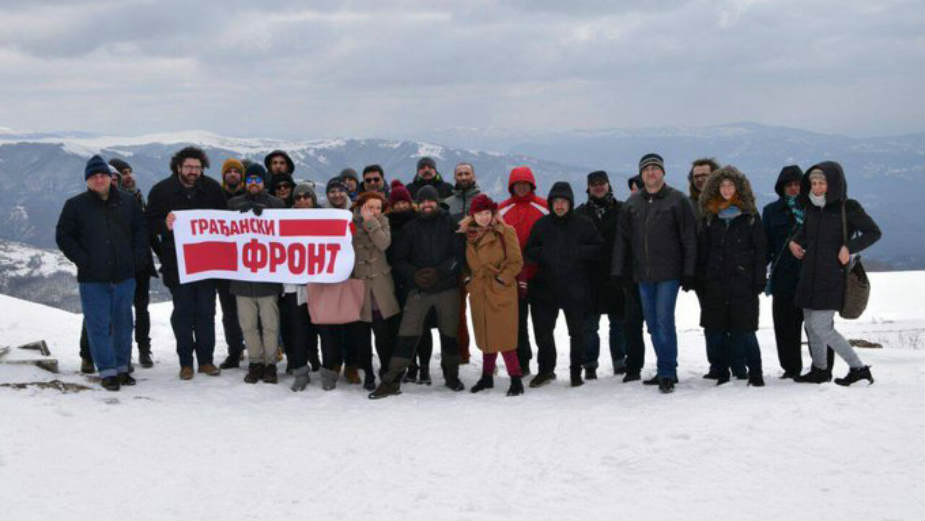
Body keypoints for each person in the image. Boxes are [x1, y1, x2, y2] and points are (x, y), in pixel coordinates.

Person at [56, 155, 148, 391]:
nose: (99, 179)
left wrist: (135, 260)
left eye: (103, 175)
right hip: (92, 278)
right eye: (94, 176)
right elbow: (64, 236)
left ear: (110, 177)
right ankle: (107, 371)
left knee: (123, 323)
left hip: (124, 275)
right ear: (87, 180)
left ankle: (122, 368)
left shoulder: (128, 203)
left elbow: (141, 232)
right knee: (97, 325)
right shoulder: (75, 205)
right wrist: (82, 260)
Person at [369, 185, 466, 399]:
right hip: (418, 290)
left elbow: (459, 255)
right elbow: (399, 260)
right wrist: (414, 275)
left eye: (430, 201)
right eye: (422, 202)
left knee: (449, 334)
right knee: (407, 334)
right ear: (417, 204)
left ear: (437, 202)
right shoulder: (410, 228)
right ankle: (391, 380)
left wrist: (440, 272)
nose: (427, 205)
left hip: (447, 288)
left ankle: (452, 376)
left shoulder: (450, 223)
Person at [612, 153, 697, 393]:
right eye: (646, 169)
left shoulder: (677, 200)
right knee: (652, 324)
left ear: (663, 173)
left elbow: (689, 239)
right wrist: (618, 271)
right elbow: (622, 240)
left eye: (655, 168)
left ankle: (667, 371)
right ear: (641, 174)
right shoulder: (632, 204)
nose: (651, 172)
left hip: (668, 273)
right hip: (642, 274)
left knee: (663, 321)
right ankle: (664, 367)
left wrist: (689, 271)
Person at [790, 162, 881, 386]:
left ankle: (858, 369)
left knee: (821, 326)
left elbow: (873, 232)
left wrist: (849, 247)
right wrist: (795, 242)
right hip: (809, 274)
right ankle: (820, 370)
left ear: (834, 184)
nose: (818, 187)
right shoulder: (811, 206)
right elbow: (806, 231)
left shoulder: (847, 207)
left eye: (822, 183)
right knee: (811, 325)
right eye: (814, 183)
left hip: (832, 276)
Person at [146, 146, 227, 380]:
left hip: (207, 263)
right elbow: (149, 224)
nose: (193, 171)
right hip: (177, 263)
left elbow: (226, 222)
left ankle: (206, 360)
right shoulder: (161, 191)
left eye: (197, 167)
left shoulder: (212, 189)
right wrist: (164, 224)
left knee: (206, 311)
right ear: (178, 167)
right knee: (183, 312)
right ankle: (185, 362)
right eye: (189, 167)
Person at [525, 182, 603, 388]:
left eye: (563, 202)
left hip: (575, 288)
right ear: (550, 204)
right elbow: (529, 251)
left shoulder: (583, 224)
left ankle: (575, 372)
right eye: (556, 202)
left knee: (577, 333)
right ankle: (545, 371)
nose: (559, 206)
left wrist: (578, 252)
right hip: (544, 289)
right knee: (543, 332)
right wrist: (545, 254)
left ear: (570, 203)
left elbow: (598, 249)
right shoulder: (541, 225)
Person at [697, 166, 767, 386]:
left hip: (743, 282)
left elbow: (761, 249)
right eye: (722, 185)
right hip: (716, 282)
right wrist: (701, 277)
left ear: (739, 188)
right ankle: (722, 372)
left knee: (745, 330)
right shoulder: (710, 216)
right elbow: (703, 250)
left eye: (730, 185)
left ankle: (756, 373)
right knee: (716, 329)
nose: (726, 189)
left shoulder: (750, 216)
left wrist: (758, 278)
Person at [762, 165, 830, 378]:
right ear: (781, 188)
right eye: (789, 185)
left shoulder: (818, 207)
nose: (793, 188)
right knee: (785, 327)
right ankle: (791, 368)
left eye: (797, 184)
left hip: (814, 276)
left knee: (818, 326)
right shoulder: (771, 211)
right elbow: (765, 245)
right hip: (784, 277)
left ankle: (822, 367)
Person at [460, 194, 526, 396]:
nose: (484, 217)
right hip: (479, 290)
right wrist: (467, 282)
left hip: (500, 291)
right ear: (473, 215)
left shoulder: (505, 232)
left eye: (487, 212)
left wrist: (501, 280)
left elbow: (516, 262)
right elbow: (462, 263)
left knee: (504, 337)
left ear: (493, 213)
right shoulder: (466, 234)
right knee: (486, 336)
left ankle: (516, 378)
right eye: (480, 213)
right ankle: (487, 377)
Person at [227, 164, 286, 384]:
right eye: (250, 179)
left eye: (257, 180)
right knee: (248, 325)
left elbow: (286, 234)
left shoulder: (277, 204)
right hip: (242, 277)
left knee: (270, 325)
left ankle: (270, 363)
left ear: (263, 182)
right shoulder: (233, 204)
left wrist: (267, 215)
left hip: (267, 277)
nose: (253, 183)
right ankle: (255, 362)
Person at [347, 191, 401, 391]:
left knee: (383, 334)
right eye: (370, 207)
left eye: (378, 207)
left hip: (380, 288)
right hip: (359, 286)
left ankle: (385, 369)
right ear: (361, 206)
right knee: (361, 336)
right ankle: (368, 372)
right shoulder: (349, 223)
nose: (375, 211)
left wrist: (372, 223)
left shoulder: (383, 222)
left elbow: (383, 243)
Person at [574, 170, 625, 379]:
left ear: (608, 185)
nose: (598, 186)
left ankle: (620, 362)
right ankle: (590, 364)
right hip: (590, 278)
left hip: (617, 275)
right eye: (594, 184)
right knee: (589, 327)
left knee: (619, 324)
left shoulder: (623, 209)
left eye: (601, 183)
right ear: (588, 188)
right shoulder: (580, 213)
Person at [498, 166, 548, 374]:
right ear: (511, 186)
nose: (521, 188)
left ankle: (546, 365)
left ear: (531, 185)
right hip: (514, 276)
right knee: (517, 323)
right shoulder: (501, 210)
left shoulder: (544, 207)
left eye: (525, 184)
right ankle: (522, 362)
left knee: (542, 324)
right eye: (517, 184)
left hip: (540, 274)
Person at [386, 180, 434, 385]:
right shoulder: (386, 222)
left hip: (418, 280)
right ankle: (411, 365)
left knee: (422, 327)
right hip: (395, 282)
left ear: (410, 203)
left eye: (404, 202)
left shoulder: (419, 221)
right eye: (396, 203)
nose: (400, 206)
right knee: (403, 328)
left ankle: (425, 367)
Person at [284, 182, 322, 391]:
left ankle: (326, 368)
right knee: (297, 329)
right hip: (294, 285)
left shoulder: (325, 218)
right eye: (298, 197)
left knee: (323, 329)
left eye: (307, 196)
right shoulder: (283, 219)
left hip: (320, 284)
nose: (303, 200)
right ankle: (300, 370)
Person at [443, 162, 482, 364]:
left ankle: (490, 355)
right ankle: (462, 354)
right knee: (457, 314)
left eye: (467, 173)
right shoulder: (448, 204)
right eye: (460, 174)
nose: (464, 176)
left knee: (484, 313)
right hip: (456, 266)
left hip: (480, 265)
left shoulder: (483, 201)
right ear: (455, 177)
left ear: (473, 176)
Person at [217, 158, 247, 369]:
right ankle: (234, 351)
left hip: (249, 261)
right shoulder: (215, 196)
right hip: (224, 262)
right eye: (230, 171)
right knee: (229, 312)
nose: (233, 174)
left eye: (237, 171)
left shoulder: (250, 197)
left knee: (251, 310)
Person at [620, 174, 646, 382]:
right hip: (632, 278)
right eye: (633, 188)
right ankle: (633, 367)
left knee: (659, 325)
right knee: (632, 325)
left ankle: (666, 367)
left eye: (638, 187)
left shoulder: (664, 207)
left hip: (658, 277)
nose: (635, 191)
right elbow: (621, 244)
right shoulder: (627, 209)